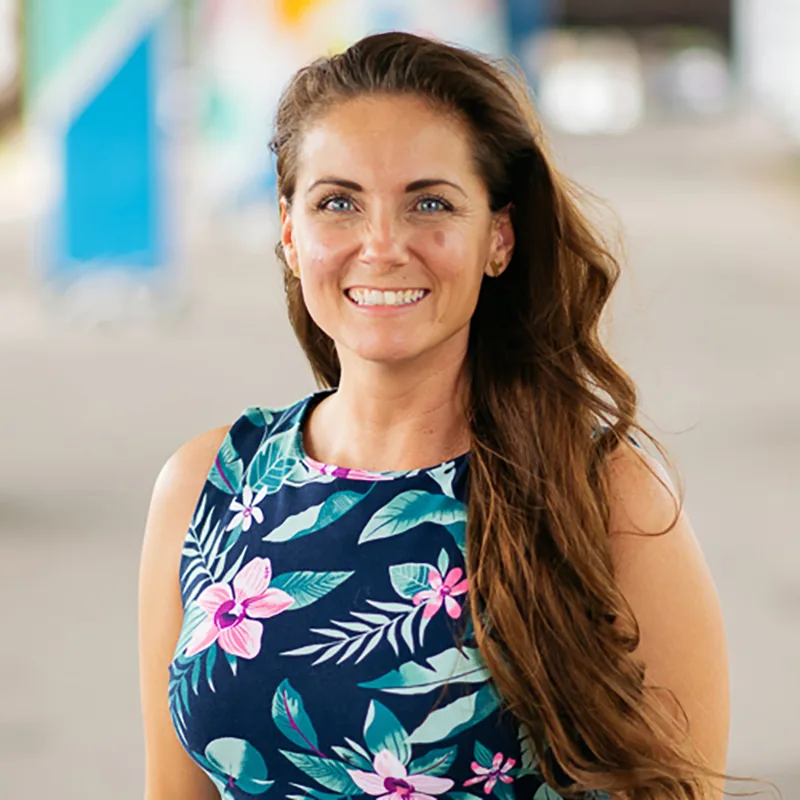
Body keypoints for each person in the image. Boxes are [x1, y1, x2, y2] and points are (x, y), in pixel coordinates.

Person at [139, 32, 731, 800]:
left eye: (430, 203)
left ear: (499, 238)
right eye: (338, 203)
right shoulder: (207, 485)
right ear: (289, 232)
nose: (382, 245)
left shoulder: (605, 494)